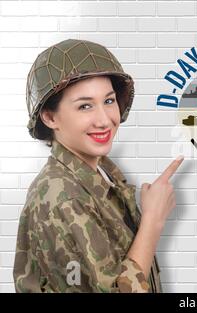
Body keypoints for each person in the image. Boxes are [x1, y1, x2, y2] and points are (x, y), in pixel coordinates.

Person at [13, 39, 184, 292]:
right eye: (85, 106)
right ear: (50, 117)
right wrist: (152, 220)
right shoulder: (64, 198)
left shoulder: (101, 174)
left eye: (108, 101)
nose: (104, 120)